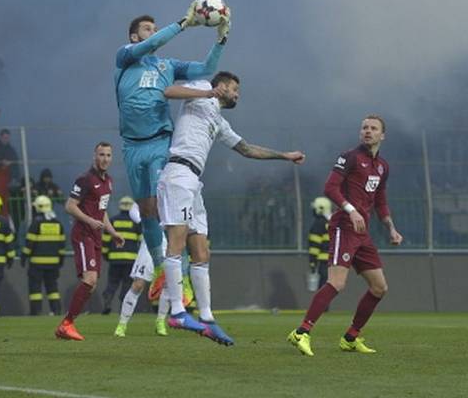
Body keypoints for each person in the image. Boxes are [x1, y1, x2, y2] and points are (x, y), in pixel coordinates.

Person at [157, 71, 305, 345]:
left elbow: (247, 149)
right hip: (178, 173)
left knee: (202, 251)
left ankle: (207, 318)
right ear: (222, 86)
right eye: (235, 89)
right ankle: (177, 311)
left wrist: (284, 156)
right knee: (176, 243)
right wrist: (207, 92)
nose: (237, 95)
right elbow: (168, 92)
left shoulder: (219, 121)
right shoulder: (201, 89)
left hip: (194, 182)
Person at [116, 4, 229, 272]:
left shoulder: (168, 65)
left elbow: (206, 68)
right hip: (132, 145)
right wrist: (182, 24)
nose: (153, 33)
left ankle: (180, 275)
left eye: (155, 29)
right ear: (134, 37)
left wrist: (221, 40)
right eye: (147, 29)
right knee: (146, 212)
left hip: (159, 142)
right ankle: (158, 271)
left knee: (163, 208)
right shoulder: (125, 57)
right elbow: (154, 43)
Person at [288, 115, 403, 357]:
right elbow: (330, 187)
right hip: (344, 226)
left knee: (379, 288)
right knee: (337, 282)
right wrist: (351, 211)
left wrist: (391, 228)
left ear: (383, 135)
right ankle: (301, 332)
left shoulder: (382, 166)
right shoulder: (350, 157)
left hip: (363, 233)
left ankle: (351, 337)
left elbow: (380, 201)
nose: (367, 131)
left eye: (373, 128)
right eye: (364, 127)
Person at [55, 142, 124, 341]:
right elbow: (70, 206)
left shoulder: (108, 182)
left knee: (91, 284)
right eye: (101, 154)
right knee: (90, 279)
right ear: (94, 156)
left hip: (96, 236)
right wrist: (89, 220)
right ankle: (66, 324)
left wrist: (113, 233)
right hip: (83, 233)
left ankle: (67, 324)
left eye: (108, 155)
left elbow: (101, 214)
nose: (105, 159)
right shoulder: (85, 179)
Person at [114, 201, 173, 338]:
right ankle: (122, 324)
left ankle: (160, 322)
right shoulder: (151, 188)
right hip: (150, 243)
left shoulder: (174, 191)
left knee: (167, 284)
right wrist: (143, 221)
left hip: (170, 243)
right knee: (138, 284)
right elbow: (134, 208)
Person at [22, 195, 66, 316]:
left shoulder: (36, 223)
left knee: (35, 289)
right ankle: (56, 310)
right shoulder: (58, 224)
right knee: (52, 288)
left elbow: (29, 244)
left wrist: (24, 257)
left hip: (37, 264)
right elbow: (62, 245)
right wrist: (60, 260)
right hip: (53, 264)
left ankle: (36, 312)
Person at [101, 196, 141, 314]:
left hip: (114, 259)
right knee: (127, 284)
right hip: (131, 259)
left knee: (112, 283)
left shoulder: (112, 221)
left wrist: (105, 255)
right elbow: (142, 241)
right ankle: (124, 307)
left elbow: (105, 240)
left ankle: (107, 302)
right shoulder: (136, 222)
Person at [307, 197, 332, 291]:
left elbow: (314, 246)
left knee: (322, 289)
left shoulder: (318, 224)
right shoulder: (331, 223)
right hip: (334, 262)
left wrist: (312, 263)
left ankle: (321, 306)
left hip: (323, 262)